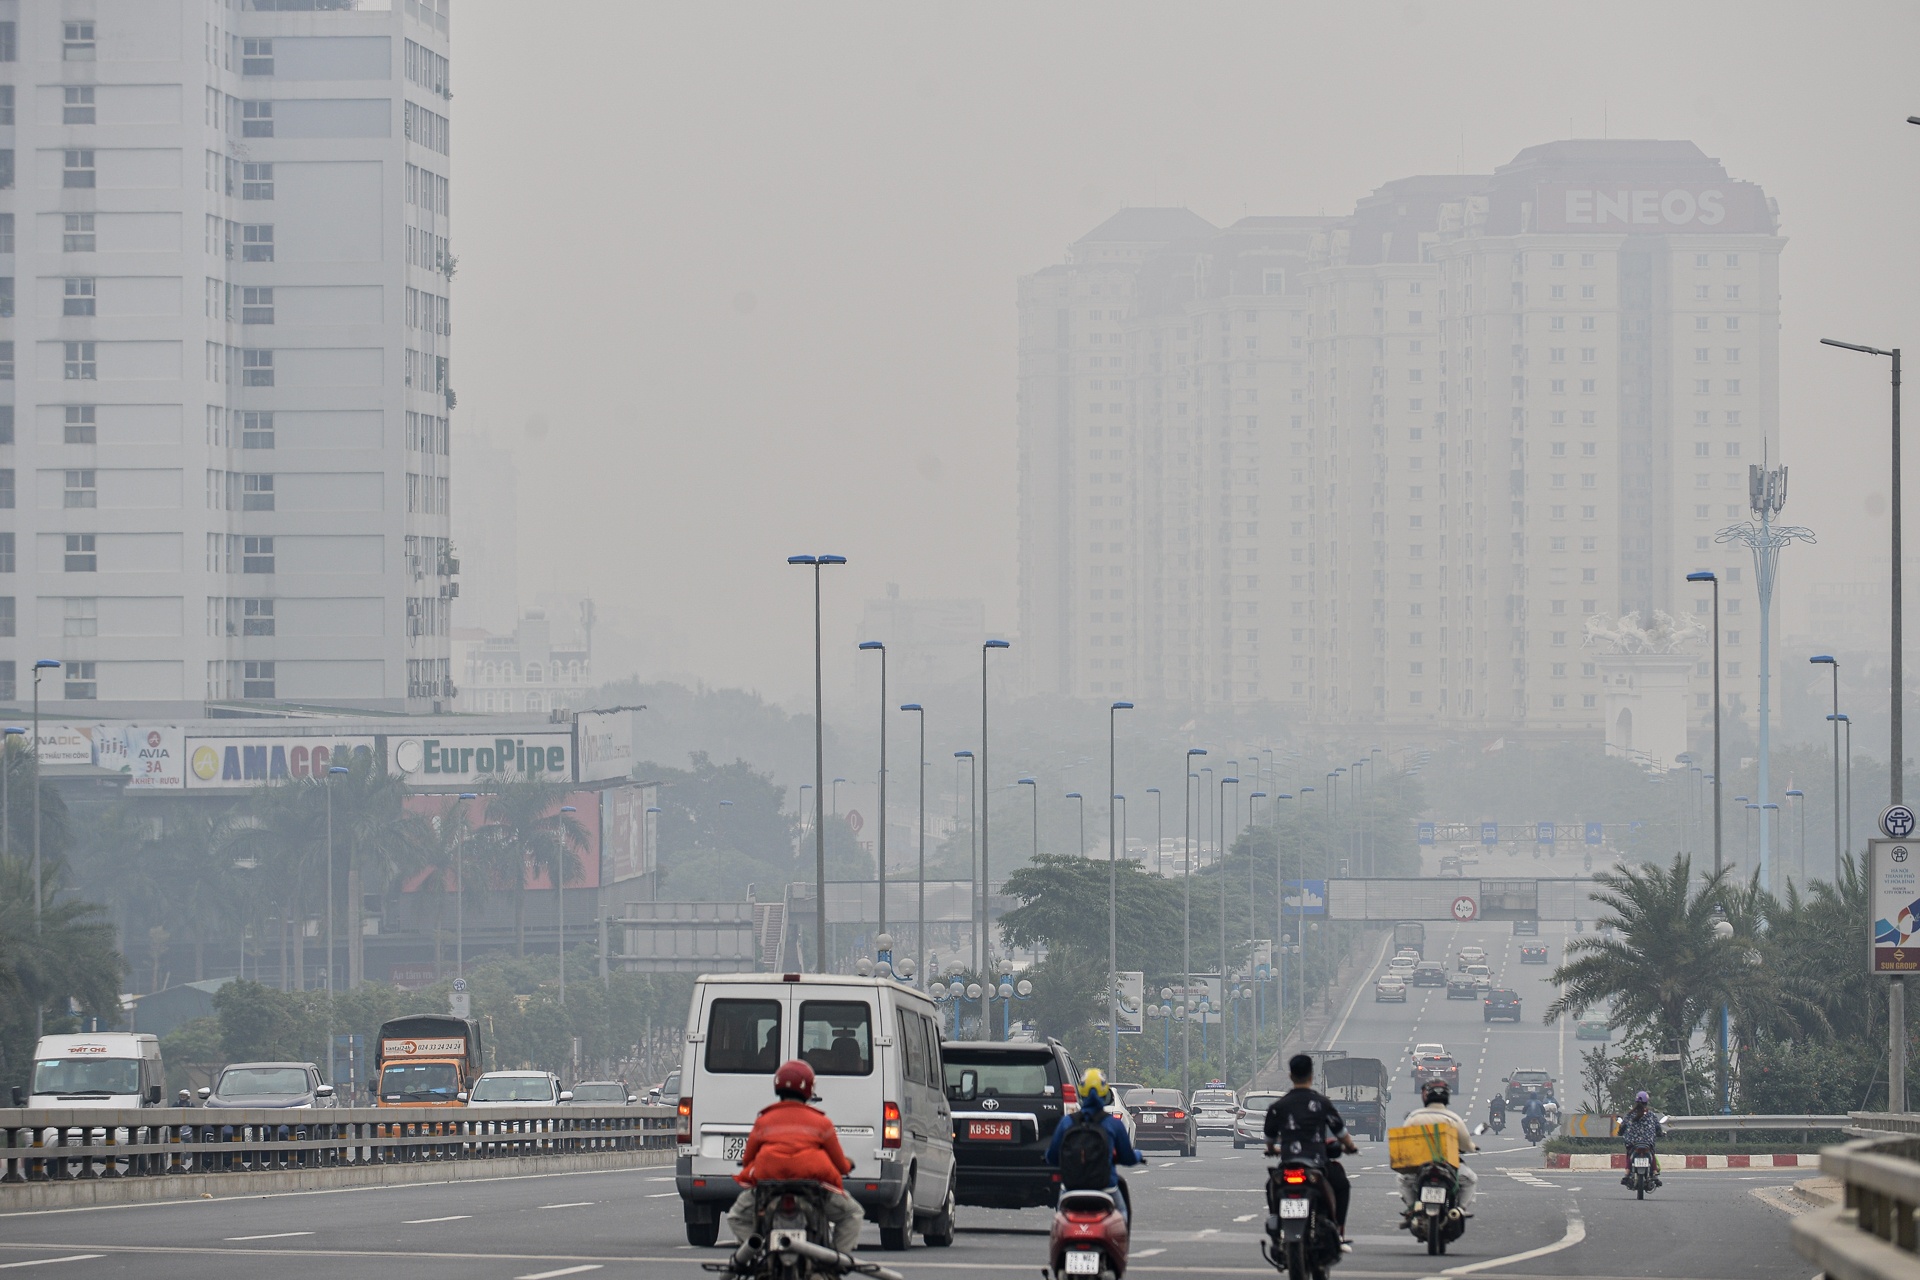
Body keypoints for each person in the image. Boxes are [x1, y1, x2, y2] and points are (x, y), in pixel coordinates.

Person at [725, 1059, 864, 1254]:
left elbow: (748, 1159)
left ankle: (757, 1252)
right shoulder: (822, 1123)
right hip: (813, 1188)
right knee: (852, 1213)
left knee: (736, 1216)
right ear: (809, 1089)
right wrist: (847, 1165)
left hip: (768, 1186)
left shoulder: (763, 1121)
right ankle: (835, 1260)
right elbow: (840, 1165)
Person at [1264, 1053, 1358, 1250]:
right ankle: (1338, 1231)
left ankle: (1275, 1224)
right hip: (1317, 1165)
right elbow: (1341, 1132)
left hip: (1288, 1164)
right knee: (1341, 1185)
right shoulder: (1321, 1103)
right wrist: (1350, 1147)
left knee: (1270, 1185)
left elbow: (1270, 1138)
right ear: (1311, 1076)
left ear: (1290, 1076)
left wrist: (1272, 1150)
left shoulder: (1278, 1106)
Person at [1045, 1067, 1143, 1223]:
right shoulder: (1113, 1124)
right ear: (1105, 1093)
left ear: (1080, 1092)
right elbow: (1128, 1158)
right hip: (1106, 1187)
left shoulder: (1067, 1122)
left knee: (1059, 1220)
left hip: (1071, 1188)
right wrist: (1138, 1155)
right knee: (1122, 1214)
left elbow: (1052, 1157)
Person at [1396, 1081, 1477, 1215]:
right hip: (1448, 1164)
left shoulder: (1414, 1117)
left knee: (1402, 1179)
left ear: (1426, 1097)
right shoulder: (1453, 1118)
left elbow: (1403, 1143)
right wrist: (1472, 1147)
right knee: (1470, 1180)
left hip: (1418, 1166)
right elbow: (1466, 1144)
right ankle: (1460, 1209)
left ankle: (1411, 1209)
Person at [1619, 1091, 1665, 1187]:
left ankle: (1627, 1174)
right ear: (1647, 1102)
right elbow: (1658, 1128)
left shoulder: (1629, 1114)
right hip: (1648, 1142)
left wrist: (1620, 1132)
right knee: (1652, 1154)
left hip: (1632, 1142)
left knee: (1629, 1154)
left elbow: (1622, 1127)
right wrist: (1660, 1134)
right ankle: (1655, 1173)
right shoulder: (1651, 1115)